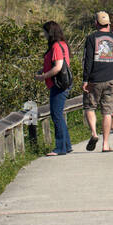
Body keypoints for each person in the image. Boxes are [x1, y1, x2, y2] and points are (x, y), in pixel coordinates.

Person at [81, 11, 113, 152]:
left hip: (95, 79)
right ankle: (105, 144)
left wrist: (85, 79)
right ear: (109, 24)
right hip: (111, 78)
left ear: (96, 23)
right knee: (107, 112)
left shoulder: (91, 38)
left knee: (90, 107)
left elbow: (88, 60)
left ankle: (94, 133)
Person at [36, 20, 72, 156]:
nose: (44, 34)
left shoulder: (56, 46)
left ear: (49, 32)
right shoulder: (63, 44)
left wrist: (43, 76)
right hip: (60, 83)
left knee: (56, 115)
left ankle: (60, 147)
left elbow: (58, 67)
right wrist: (43, 70)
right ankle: (66, 145)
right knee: (58, 115)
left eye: (45, 32)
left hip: (58, 84)